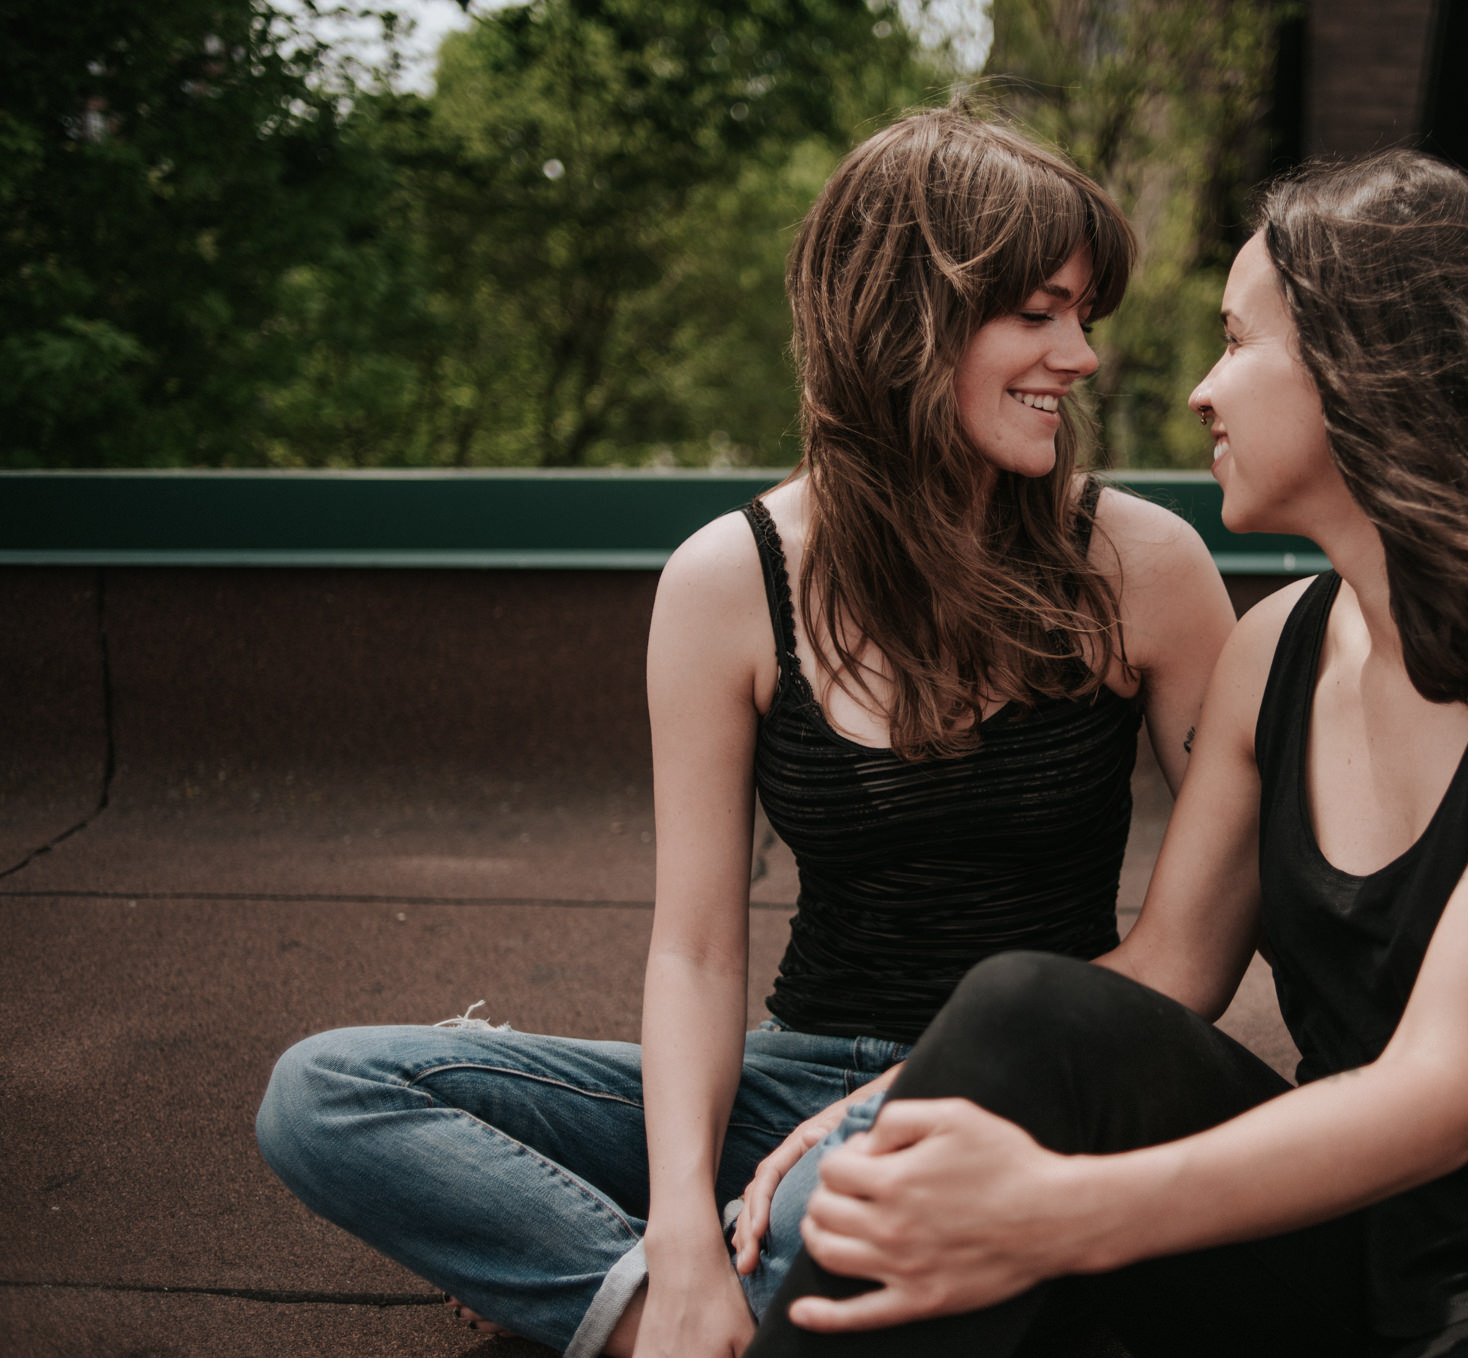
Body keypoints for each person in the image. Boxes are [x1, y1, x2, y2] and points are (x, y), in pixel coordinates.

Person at [747, 150, 1468, 1358]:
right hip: (1356, 1251)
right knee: (1026, 1004)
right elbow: (1169, 965)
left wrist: (1051, 1214)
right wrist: (881, 1105)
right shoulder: (1278, 647)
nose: (1201, 390)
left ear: (1369, 363)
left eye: (1237, 342)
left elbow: (1447, 1092)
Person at [252, 108, 1235, 1358]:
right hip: (794, 1070)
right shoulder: (731, 579)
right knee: (329, 1094)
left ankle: (665, 1277)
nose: (1080, 356)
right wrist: (675, 1229)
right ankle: (675, 1301)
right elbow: (699, 951)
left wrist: (860, 1128)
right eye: (1039, 313)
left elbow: (1195, 952)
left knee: (842, 1195)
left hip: (1029, 1092)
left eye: (1082, 316)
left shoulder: (1143, 563)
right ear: (906, 319)